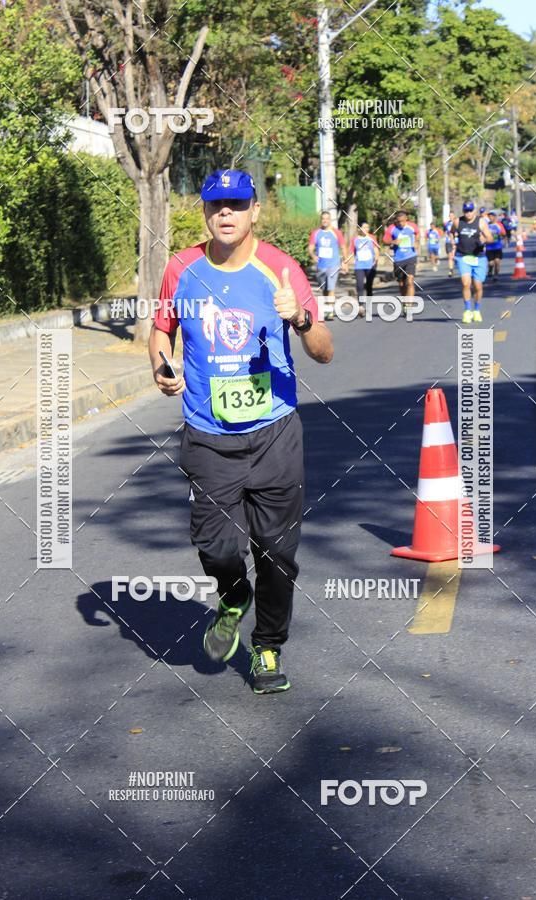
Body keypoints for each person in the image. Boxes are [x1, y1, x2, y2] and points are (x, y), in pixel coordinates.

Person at [149, 169, 333, 695]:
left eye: (236, 204)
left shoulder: (279, 268)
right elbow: (162, 328)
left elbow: (324, 351)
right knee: (213, 543)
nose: (225, 213)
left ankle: (269, 648)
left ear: (256, 210)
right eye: (216, 205)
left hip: (275, 433)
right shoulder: (182, 267)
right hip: (207, 434)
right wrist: (163, 367)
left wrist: (299, 317)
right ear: (205, 213)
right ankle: (232, 595)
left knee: (276, 553)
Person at [452, 201, 494, 324]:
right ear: (463, 211)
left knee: (478, 286)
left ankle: (476, 310)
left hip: (479, 258)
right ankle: (467, 311)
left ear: (474, 211)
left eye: (470, 211)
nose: (468, 213)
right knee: (466, 283)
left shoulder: (481, 222)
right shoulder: (457, 221)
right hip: (462, 256)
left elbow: (491, 238)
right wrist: (453, 242)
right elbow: (451, 232)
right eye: (466, 211)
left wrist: (484, 239)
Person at [309, 211, 347, 320]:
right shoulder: (316, 233)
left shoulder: (336, 233)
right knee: (324, 289)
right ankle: (328, 306)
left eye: (327, 219)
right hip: (321, 265)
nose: (325, 221)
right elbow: (310, 247)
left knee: (331, 287)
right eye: (323, 219)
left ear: (330, 220)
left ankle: (330, 311)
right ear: (321, 220)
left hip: (333, 264)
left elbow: (343, 247)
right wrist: (313, 255)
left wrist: (345, 262)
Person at [382, 210, 419, 315]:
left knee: (410, 281)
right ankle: (404, 302)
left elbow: (417, 233)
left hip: (411, 256)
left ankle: (409, 306)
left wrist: (416, 241)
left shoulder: (412, 226)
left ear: (406, 219)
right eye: (399, 222)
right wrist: (393, 241)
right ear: (396, 221)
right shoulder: (392, 228)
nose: (401, 224)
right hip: (398, 259)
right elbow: (385, 240)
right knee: (402, 283)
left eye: (403, 221)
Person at [350, 222, 379, 314]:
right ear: (359, 228)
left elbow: (376, 250)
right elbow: (352, 251)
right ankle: (361, 306)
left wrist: (376, 259)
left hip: (370, 265)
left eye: (367, 227)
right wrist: (347, 261)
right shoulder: (355, 239)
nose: (365, 229)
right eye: (364, 227)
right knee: (359, 285)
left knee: (369, 286)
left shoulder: (372, 238)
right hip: (359, 265)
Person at [485, 211, 506, 280]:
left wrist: (500, 234)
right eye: (489, 216)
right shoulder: (486, 225)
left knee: (497, 262)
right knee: (491, 263)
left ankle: (496, 276)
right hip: (489, 247)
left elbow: (504, 234)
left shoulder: (499, 225)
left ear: (495, 217)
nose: (490, 218)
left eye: (491, 216)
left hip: (497, 247)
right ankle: (490, 270)